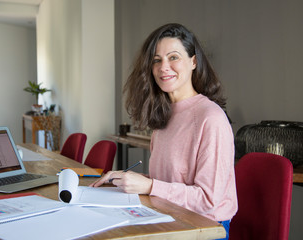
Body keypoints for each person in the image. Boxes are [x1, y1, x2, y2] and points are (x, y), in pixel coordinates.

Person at [90, 23, 237, 239]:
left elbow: (207, 200)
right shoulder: (165, 115)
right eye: (157, 60)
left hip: (204, 226)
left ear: (193, 61)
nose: (163, 67)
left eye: (173, 57)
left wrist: (149, 185)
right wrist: (130, 179)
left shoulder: (211, 118)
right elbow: (168, 181)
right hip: (168, 215)